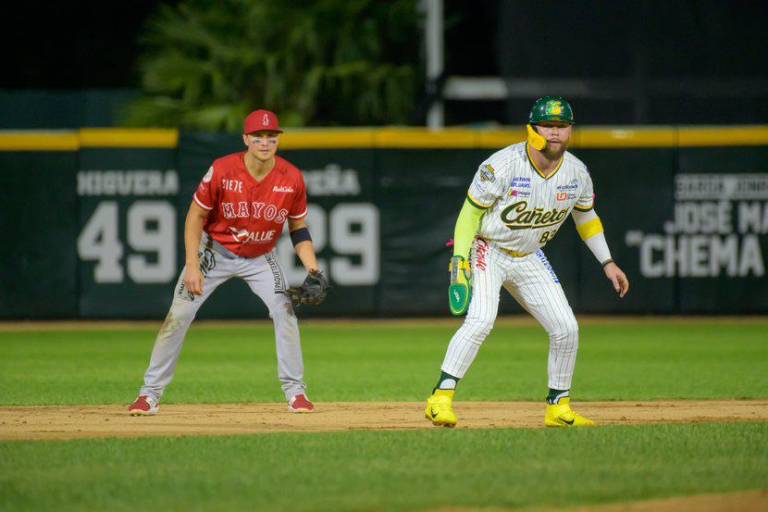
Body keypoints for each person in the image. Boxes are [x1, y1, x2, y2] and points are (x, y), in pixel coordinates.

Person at [426, 96, 629, 428]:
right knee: (480, 321)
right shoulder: (503, 165)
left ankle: (558, 407)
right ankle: (440, 398)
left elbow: (586, 217)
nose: (555, 133)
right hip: (488, 248)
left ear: (570, 132)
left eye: (562, 126)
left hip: (530, 255)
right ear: (531, 128)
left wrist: (607, 262)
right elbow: (469, 215)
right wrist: (459, 259)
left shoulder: (577, 172)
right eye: (547, 126)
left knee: (566, 328)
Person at [129, 109, 327, 416]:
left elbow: (298, 229)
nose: (265, 142)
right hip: (213, 252)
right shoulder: (222, 170)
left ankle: (296, 392)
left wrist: (313, 269)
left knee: (285, 312)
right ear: (246, 139)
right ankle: (149, 393)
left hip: (261, 257)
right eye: (258, 136)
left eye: (271, 136)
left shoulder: (292, 178)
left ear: (278, 139)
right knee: (177, 316)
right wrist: (193, 266)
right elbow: (195, 216)